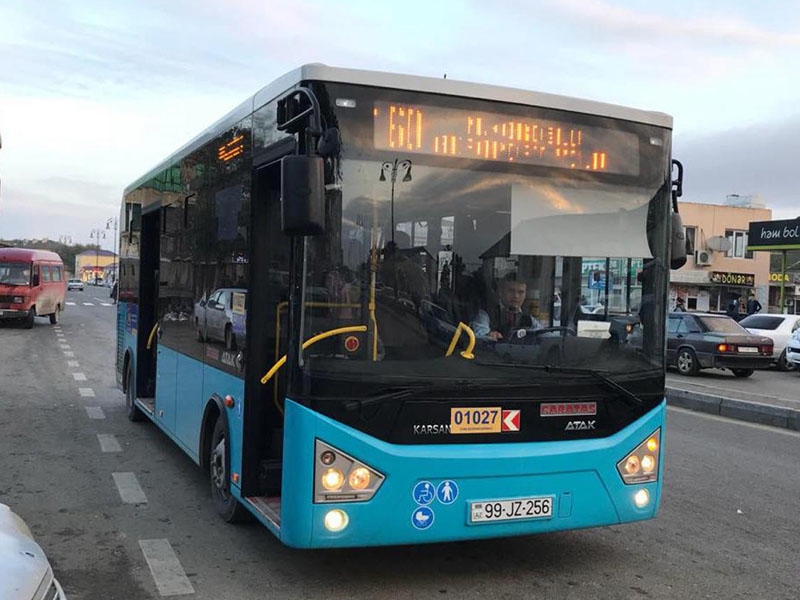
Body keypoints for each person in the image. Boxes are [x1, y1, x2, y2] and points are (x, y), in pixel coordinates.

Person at [471, 274, 541, 340]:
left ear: (525, 295)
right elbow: (479, 335)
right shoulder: (486, 313)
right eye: (511, 291)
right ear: (500, 292)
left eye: (521, 292)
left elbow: (544, 334)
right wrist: (488, 335)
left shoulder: (529, 319)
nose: (516, 296)